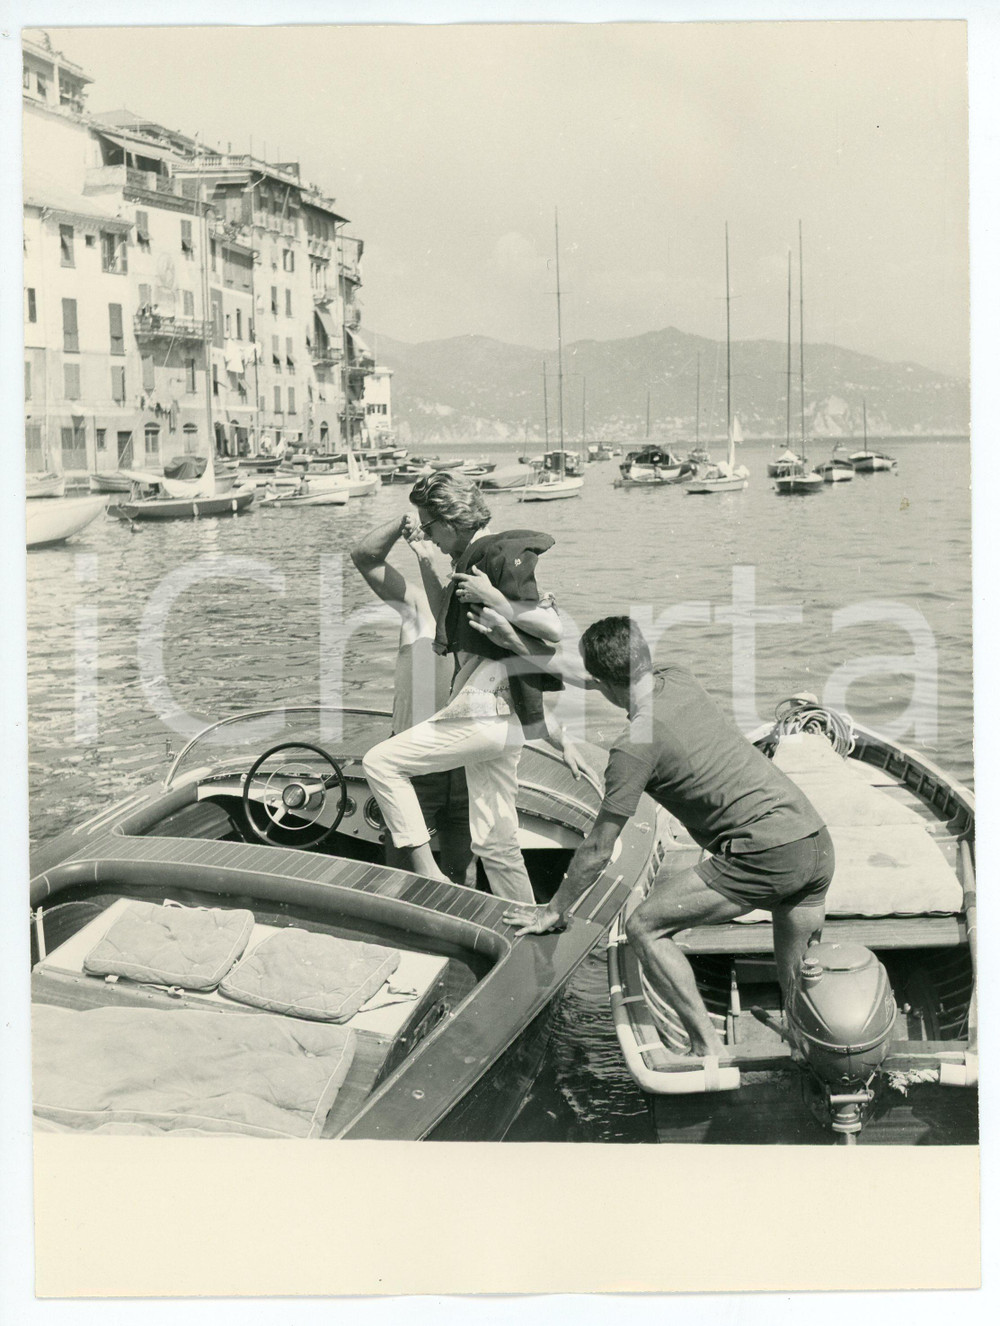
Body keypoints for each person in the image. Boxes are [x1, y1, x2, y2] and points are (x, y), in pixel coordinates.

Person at [488, 614, 833, 1059]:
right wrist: (516, 640)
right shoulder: (678, 679)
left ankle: (709, 1048)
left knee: (644, 927)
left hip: (765, 853)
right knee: (796, 987)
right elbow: (596, 678)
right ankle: (810, 1050)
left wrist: (554, 910)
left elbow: (596, 850)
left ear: (605, 683)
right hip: (814, 841)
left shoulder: (633, 746)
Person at [361, 471, 594, 900]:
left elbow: (550, 630)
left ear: (450, 522)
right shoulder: (479, 572)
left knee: (380, 763)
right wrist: (558, 736)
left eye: (431, 527)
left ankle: (427, 873)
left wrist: (499, 602)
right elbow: (518, 656)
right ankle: (525, 920)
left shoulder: (487, 564)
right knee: (495, 842)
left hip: (483, 715)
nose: (431, 538)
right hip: (509, 728)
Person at [350, 513, 473, 885]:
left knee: (465, 879)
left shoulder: (483, 616)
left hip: (469, 766)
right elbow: (365, 557)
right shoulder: (417, 608)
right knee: (403, 877)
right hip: (413, 768)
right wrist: (403, 522)